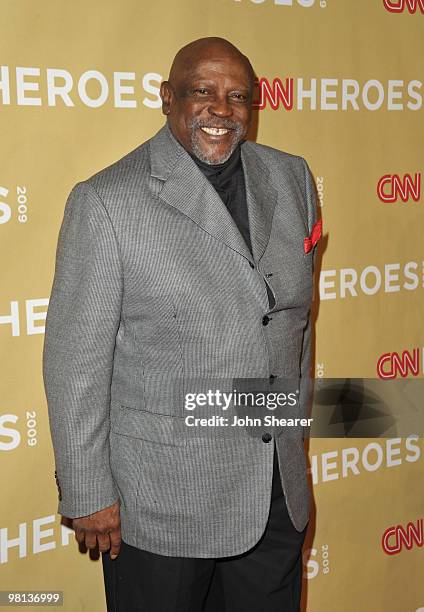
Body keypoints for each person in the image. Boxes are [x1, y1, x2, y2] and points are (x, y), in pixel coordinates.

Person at [43, 36, 320, 611]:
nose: (222, 109)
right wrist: (88, 489)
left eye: (238, 96)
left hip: (275, 493)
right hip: (163, 503)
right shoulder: (107, 201)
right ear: (168, 98)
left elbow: (291, 326)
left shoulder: (293, 179)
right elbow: (76, 362)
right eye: (203, 92)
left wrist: (295, 436)